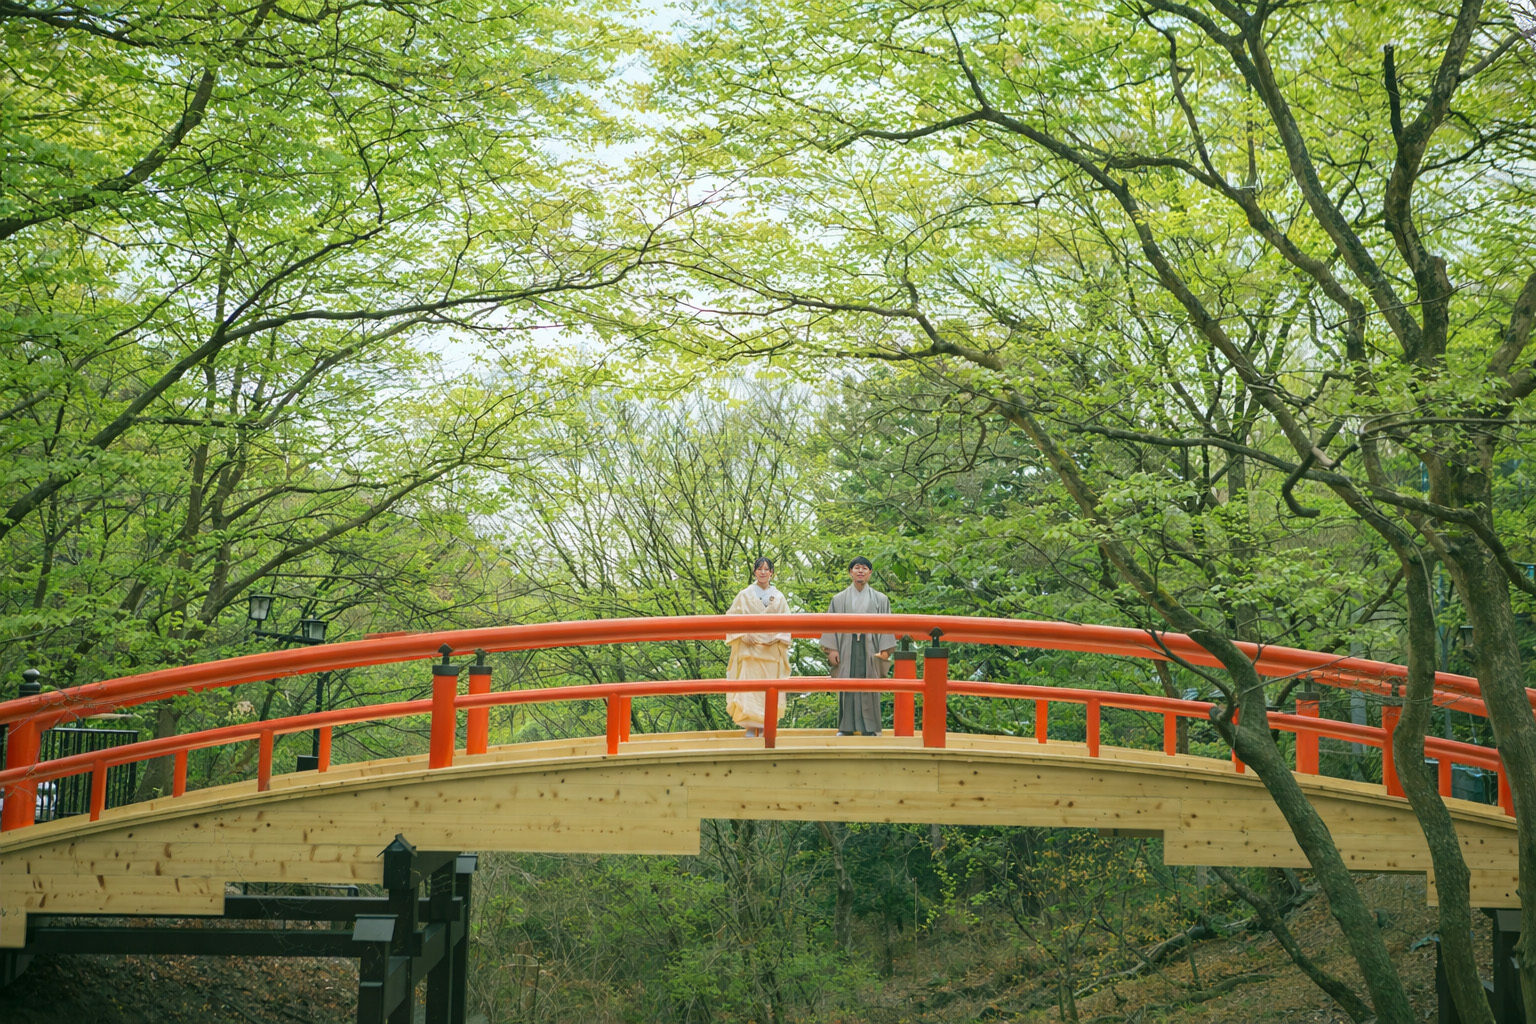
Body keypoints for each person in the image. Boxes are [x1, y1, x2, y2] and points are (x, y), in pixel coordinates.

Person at [820, 556, 897, 735]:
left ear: (870, 573)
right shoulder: (838, 599)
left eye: (864, 568)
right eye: (856, 568)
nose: (860, 571)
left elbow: (888, 625)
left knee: (870, 684)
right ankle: (846, 727)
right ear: (850, 572)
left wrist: (885, 650)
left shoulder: (881, 599)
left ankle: (871, 728)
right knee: (847, 684)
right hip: (847, 645)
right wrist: (832, 649)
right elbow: (829, 624)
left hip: (871, 645)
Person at [725, 557, 792, 737]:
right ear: (754, 572)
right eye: (759, 569)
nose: (763, 572)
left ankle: (765, 725)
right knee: (750, 687)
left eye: (766, 569)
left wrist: (777, 637)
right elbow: (730, 619)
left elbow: (788, 621)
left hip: (771, 649)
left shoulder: (779, 597)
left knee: (769, 688)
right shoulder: (744, 595)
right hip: (750, 648)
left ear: (772, 573)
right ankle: (749, 726)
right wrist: (742, 635)